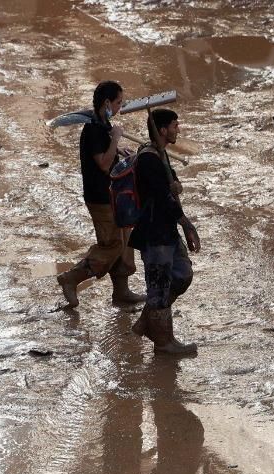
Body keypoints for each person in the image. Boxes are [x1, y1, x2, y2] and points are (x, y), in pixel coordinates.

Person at [55, 80, 144, 309]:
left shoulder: (103, 125)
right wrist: (115, 139)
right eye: (118, 103)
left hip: (114, 195)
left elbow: (109, 156)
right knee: (111, 244)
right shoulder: (95, 129)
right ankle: (71, 278)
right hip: (100, 198)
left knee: (124, 242)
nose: (119, 108)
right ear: (106, 102)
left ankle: (121, 293)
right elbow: (104, 164)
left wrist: (119, 150)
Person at [128, 109, 198, 356]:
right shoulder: (148, 158)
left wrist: (175, 183)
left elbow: (169, 189)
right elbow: (162, 198)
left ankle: (147, 321)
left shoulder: (160, 154)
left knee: (183, 274)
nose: (178, 129)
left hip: (166, 229)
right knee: (159, 287)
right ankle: (164, 342)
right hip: (154, 232)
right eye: (174, 125)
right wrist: (187, 224)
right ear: (162, 129)